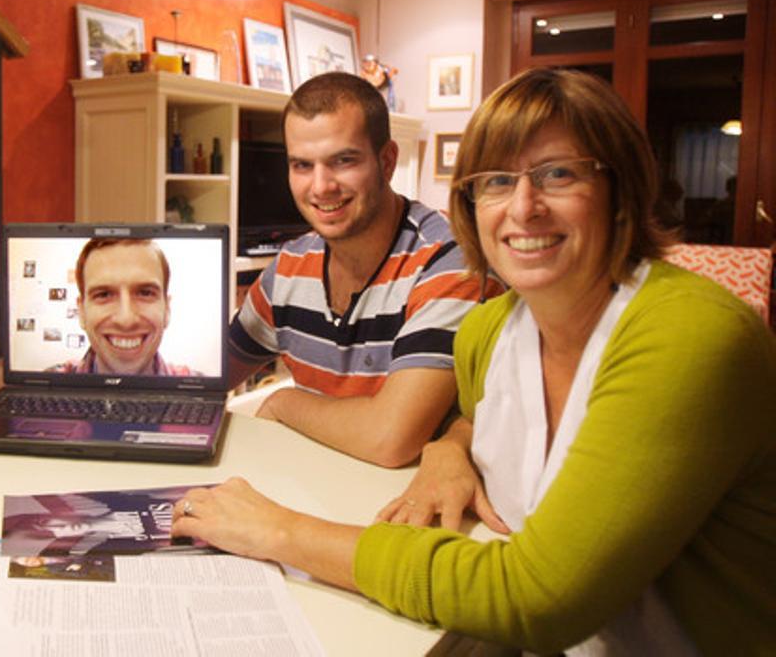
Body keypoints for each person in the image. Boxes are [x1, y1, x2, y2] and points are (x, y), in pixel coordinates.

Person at [171, 68, 776, 654]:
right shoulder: (492, 330)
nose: (523, 207)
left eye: (559, 174)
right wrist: (451, 448)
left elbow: (535, 598)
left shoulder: (690, 335)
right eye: (494, 181)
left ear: (622, 189)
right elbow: (478, 415)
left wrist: (279, 530)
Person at [229, 71, 496, 466]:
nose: (320, 187)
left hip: (407, 510)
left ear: (386, 161)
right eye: (302, 165)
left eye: (343, 161)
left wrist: (284, 401)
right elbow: (207, 378)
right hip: (314, 489)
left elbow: (391, 439)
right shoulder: (288, 268)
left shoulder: (448, 261)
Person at [49, 238, 198, 376]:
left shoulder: (205, 392)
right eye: (104, 295)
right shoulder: (47, 385)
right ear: (81, 312)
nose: (126, 320)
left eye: (145, 293)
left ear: (167, 310)